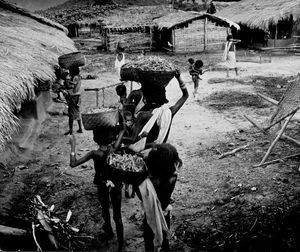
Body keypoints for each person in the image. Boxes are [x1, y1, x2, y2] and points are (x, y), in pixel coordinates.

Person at [107, 143, 182, 251]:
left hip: (150, 215)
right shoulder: (172, 178)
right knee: (164, 238)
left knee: (148, 240)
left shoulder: (144, 182)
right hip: (164, 212)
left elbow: (139, 193)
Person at [69, 128, 124, 251]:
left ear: (96, 139)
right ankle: (121, 244)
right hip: (116, 184)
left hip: (102, 184)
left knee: (105, 208)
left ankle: (109, 230)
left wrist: (73, 146)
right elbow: (122, 130)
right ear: (111, 138)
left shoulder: (94, 154)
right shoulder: (114, 149)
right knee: (118, 216)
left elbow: (73, 164)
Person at [127, 69, 189, 151]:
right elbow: (185, 95)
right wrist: (178, 78)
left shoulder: (143, 115)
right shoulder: (169, 112)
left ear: (145, 99)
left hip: (146, 153)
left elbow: (133, 140)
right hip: (162, 150)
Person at [62, 66, 83, 135]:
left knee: (71, 114)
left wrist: (67, 81)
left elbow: (72, 86)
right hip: (77, 96)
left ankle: (71, 130)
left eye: (70, 71)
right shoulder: (78, 76)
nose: (69, 72)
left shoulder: (75, 77)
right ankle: (80, 128)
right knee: (77, 112)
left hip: (73, 97)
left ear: (73, 71)